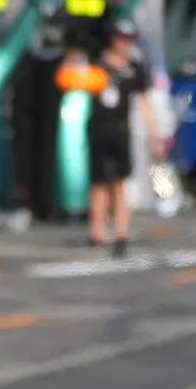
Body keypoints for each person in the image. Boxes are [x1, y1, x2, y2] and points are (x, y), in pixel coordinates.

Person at [82, 21, 157, 256]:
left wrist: (153, 133)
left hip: (120, 128)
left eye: (128, 39)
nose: (124, 44)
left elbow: (144, 101)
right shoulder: (97, 63)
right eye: (120, 38)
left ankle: (122, 234)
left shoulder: (134, 68)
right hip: (99, 126)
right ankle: (97, 233)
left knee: (120, 183)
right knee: (98, 183)